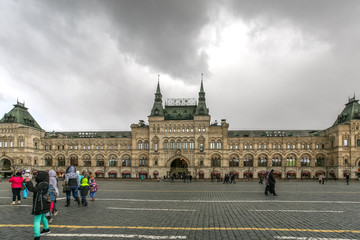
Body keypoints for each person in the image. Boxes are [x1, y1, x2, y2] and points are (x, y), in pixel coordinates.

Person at [24, 171, 51, 240]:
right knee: (43, 216)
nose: (36, 176)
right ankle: (46, 229)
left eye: (38, 175)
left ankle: (37, 235)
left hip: (40, 204)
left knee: (37, 219)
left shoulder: (42, 184)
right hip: (45, 203)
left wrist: (29, 182)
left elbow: (33, 189)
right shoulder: (45, 183)